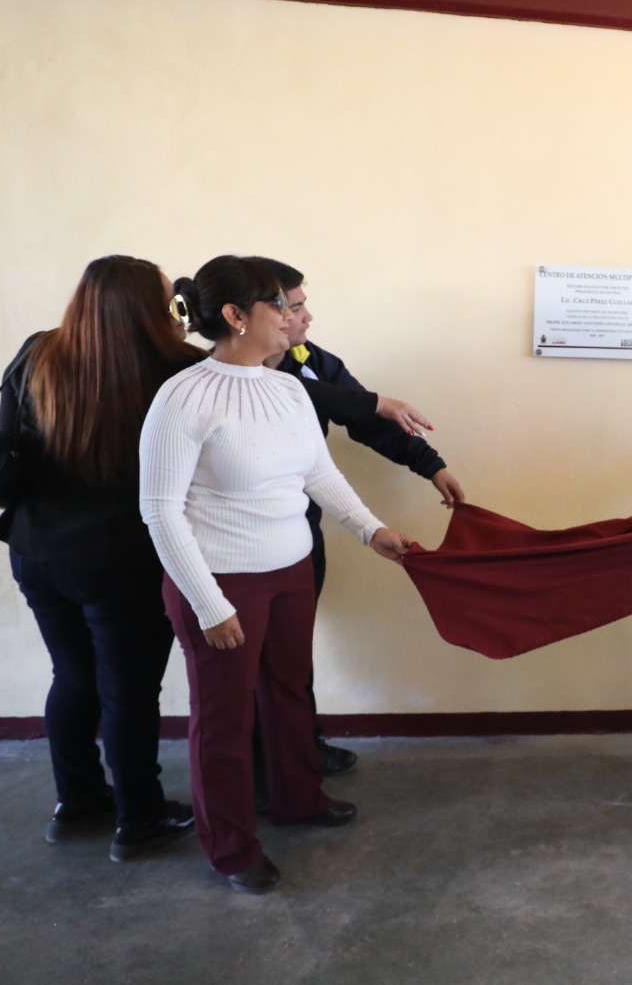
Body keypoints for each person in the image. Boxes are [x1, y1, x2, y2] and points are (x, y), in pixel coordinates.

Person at [138, 255, 416, 895]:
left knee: (288, 692)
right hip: (221, 582)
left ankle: (298, 798)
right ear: (236, 316)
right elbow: (160, 511)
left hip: (291, 570)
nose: (300, 316)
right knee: (224, 719)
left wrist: (372, 531)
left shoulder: (288, 388)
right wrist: (209, 604)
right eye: (285, 306)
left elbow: (319, 475)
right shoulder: (182, 397)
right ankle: (230, 847)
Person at [0, 255, 203, 861]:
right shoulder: (177, 367)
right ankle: (139, 818)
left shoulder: (37, 354)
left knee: (72, 675)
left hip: (39, 550)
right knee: (129, 689)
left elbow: (11, 449)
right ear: (149, 306)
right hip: (126, 558)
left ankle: (78, 800)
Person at [251, 256, 463, 781]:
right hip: (237, 547)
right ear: (249, 315)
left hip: (300, 534)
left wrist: (432, 466)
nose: (305, 317)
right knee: (246, 660)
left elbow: (363, 420)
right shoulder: (216, 379)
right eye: (293, 308)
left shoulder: (311, 361)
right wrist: (373, 402)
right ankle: (255, 766)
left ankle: (299, 749)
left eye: (303, 306)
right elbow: (359, 405)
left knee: (291, 651)